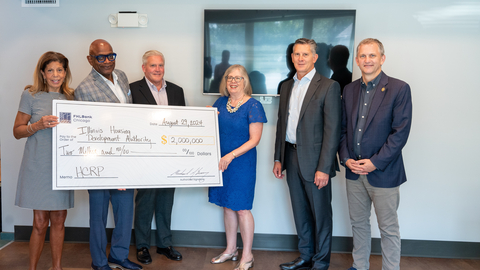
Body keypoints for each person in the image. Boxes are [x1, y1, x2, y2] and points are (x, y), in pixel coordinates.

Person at [339, 38, 412, 270]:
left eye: (372, 55)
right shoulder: (349, 90)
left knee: (388, 228)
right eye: (363, 56)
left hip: (384, 173)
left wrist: (375, 163)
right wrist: (346, 158)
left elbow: (400, 133)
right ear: (357, 60)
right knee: (358, 224)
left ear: (382, 58)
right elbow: (342, 129)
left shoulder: (399, 88)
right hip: (353, 172)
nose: (367, 60)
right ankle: (360, 266)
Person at [273, 38, 341, 270]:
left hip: (316, 163)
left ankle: (321, 263)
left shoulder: (329, 86)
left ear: (315, 57)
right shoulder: (286, 86)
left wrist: (324, 167)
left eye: (305, 54)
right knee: (300, 212)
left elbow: (332, 132)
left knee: (321, 216)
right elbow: (282, 124)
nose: (300, 58)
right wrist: (278, 158)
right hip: (290, 158)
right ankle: (305, 256)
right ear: (291, 57)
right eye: (296, 54)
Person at [75, 39, 142, 270]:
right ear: (90, 59)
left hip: (125, 158)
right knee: (98, 217)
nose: (107, 61)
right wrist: (110, 168)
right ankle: (99, 262)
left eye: (110, 55)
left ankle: (119, 256)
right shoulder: (84, 88)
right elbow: (87, 133)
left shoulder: (122, 76)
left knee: (125, 213)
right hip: (100, 162)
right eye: (101, 57)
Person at [13, 51, 75, 270]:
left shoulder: (72, 97)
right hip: (38, 165)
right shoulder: (30, 95)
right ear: (42, 72)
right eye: (50, 70)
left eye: (59, 70)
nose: (55, 75)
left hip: (62, 167)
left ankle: (56, 267)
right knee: (40, 222)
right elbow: (17, 132)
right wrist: (37, 125)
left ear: (65, 72)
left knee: (59, 219)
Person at [208, 64, 267, 270]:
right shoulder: (220, 102)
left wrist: (231, 155)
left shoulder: (254, 106)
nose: (233, 81)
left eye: (238, 78)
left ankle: (247, 255)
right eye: (229, 77)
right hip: (221, 163)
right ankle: (231, 250)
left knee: (242, 209)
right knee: (227, 206)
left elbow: (255, 140)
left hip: (241, 163)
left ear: (245, 82)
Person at [130, 50, 185, 264]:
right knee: (145, 201)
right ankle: (142, 246)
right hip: (144, 155)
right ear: (144, 68)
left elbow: (184, 123)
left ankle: (164, 244)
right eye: (153, 66)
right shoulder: (132, 89)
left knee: (165, 200)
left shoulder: (177, 91)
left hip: (170, 156)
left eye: (160, 65)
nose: (157, 69)